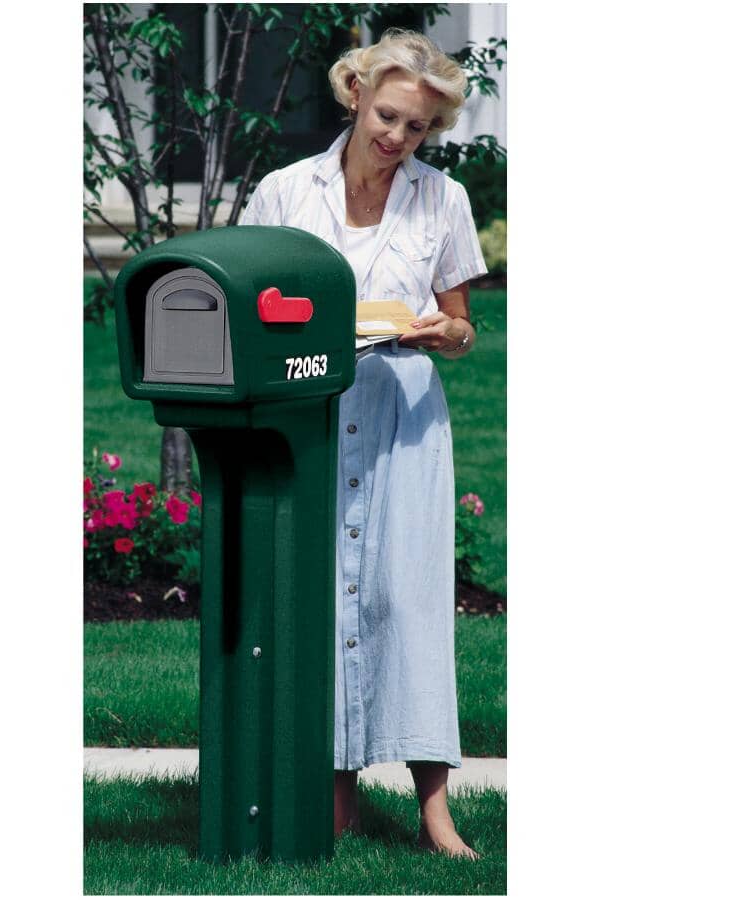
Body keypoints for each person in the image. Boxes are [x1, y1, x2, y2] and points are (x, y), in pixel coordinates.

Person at [240, 28, 487, 860]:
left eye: (415, 127)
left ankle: (436, 812)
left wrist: (442, 333)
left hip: (403, 417)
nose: (396, 136)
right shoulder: (284, 191)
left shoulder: (440, 201)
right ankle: (335, 797)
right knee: (320, 600)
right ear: (354, 94)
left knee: (408, 602)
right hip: (310, 408)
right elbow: (249, 304)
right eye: (387, 115)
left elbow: (461, 325)